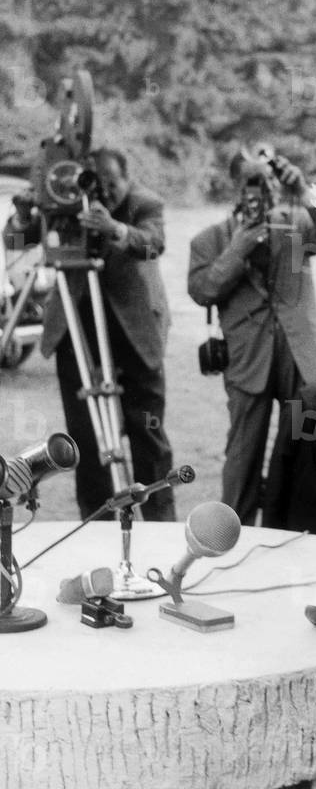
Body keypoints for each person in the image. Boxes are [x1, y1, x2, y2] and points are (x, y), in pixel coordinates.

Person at [4, 147, 175, 521]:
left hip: (135, 338)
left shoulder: (144, 203)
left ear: (126, 176)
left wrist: (114, 228)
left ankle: (161, 523)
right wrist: (21, 216)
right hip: (79, 337)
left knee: (148, 435)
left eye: (112, 183)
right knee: (86, 438)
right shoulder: (66, 204)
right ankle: (96, 525)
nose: (104, 193)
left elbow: (153, 245)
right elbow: (14, 247)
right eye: (97, 183)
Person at [188, 149, 316, 528]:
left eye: (268, 180)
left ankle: (301, 532)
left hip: (300, 355)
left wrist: (303, 190)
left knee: (308, 455)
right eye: (251, 181)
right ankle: (231, 537)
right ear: (236, 187)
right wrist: (236, 251)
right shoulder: (211, 239)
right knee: (242, 457)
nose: (260, 190)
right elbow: (202, 290)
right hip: (248, 359)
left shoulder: (296, 223)